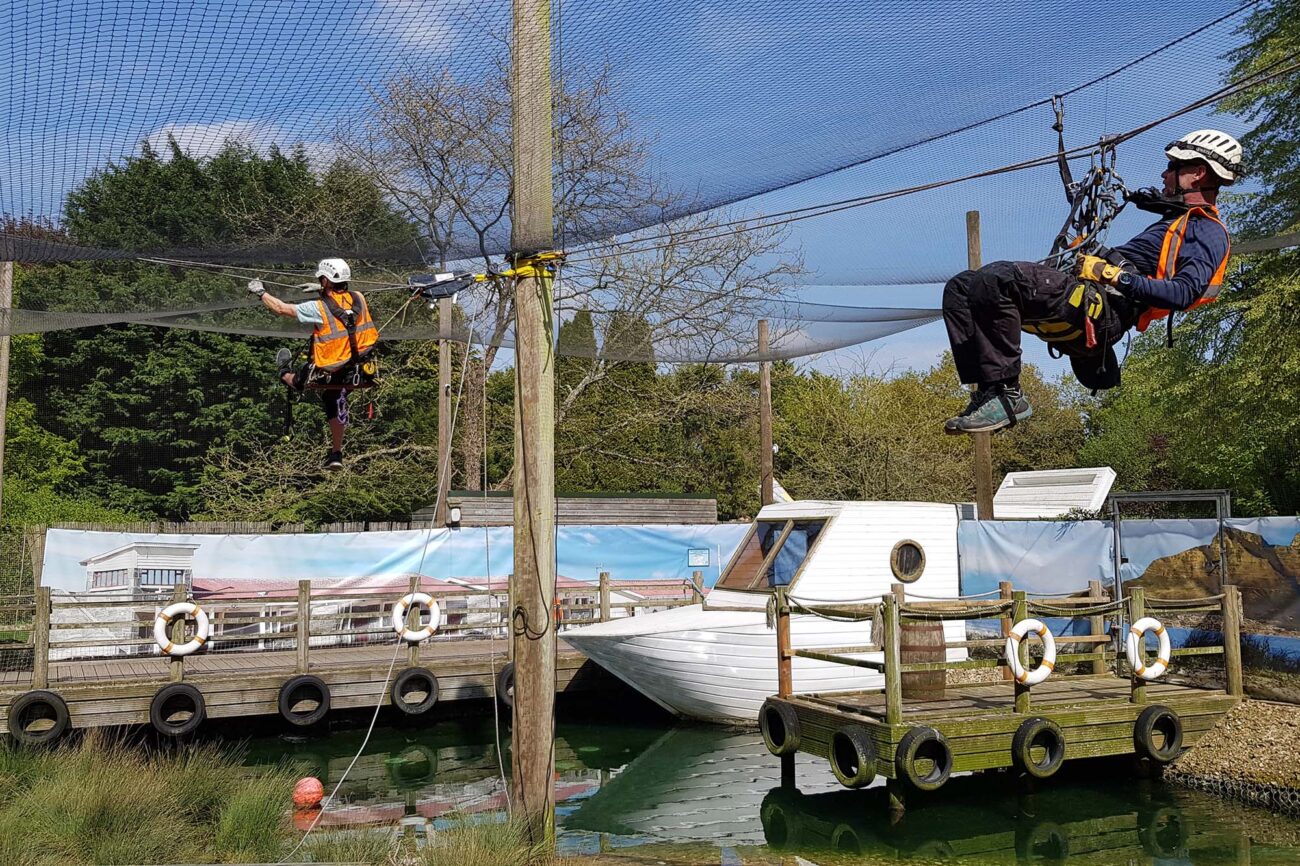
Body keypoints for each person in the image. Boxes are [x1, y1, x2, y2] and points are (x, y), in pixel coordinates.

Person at [941, 129, 1242, 435]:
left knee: (998, 278)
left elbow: (1184, 293)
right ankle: (990, 393)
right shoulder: (1175, 220)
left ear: (1198, 174)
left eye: (1172, 167)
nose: (1164, 174)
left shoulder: (1208, 230)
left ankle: (1009, 397)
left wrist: (1110, 274)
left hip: (1103, 309)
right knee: (961, 287)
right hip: (1089, 298)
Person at [248, 258, 379, 470]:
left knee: (298, 381)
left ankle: (283, 372)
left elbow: (281, 309)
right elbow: (342, 309)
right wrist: (322, 288)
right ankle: (336, 453)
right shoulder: (360, 298)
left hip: (332, 366)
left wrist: (260, 292)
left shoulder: (317, 308)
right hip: (359, 367)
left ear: (325, 280)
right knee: (331, 398)